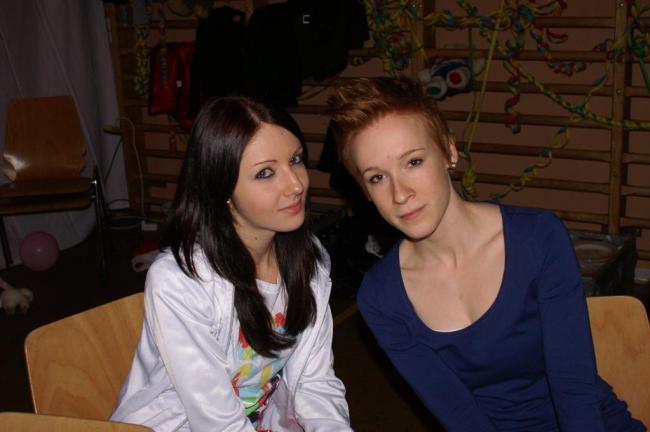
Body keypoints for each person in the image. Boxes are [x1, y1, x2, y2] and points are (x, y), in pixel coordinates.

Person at [327, 77, 645, 432]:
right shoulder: (380, 297)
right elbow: (459, 415)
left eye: (413, 162)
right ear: (364, 191)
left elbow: (574, 390)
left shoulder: (538, 238)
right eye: (377, 178)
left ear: (449, 151)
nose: (400, 194)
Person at [111, 96, 352, 432]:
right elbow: (216, 422)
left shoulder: (309, 259)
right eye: (265, 173)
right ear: (221, 185)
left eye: (295, 160)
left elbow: (315, 383)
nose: (296, 185)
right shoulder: (180, 281)